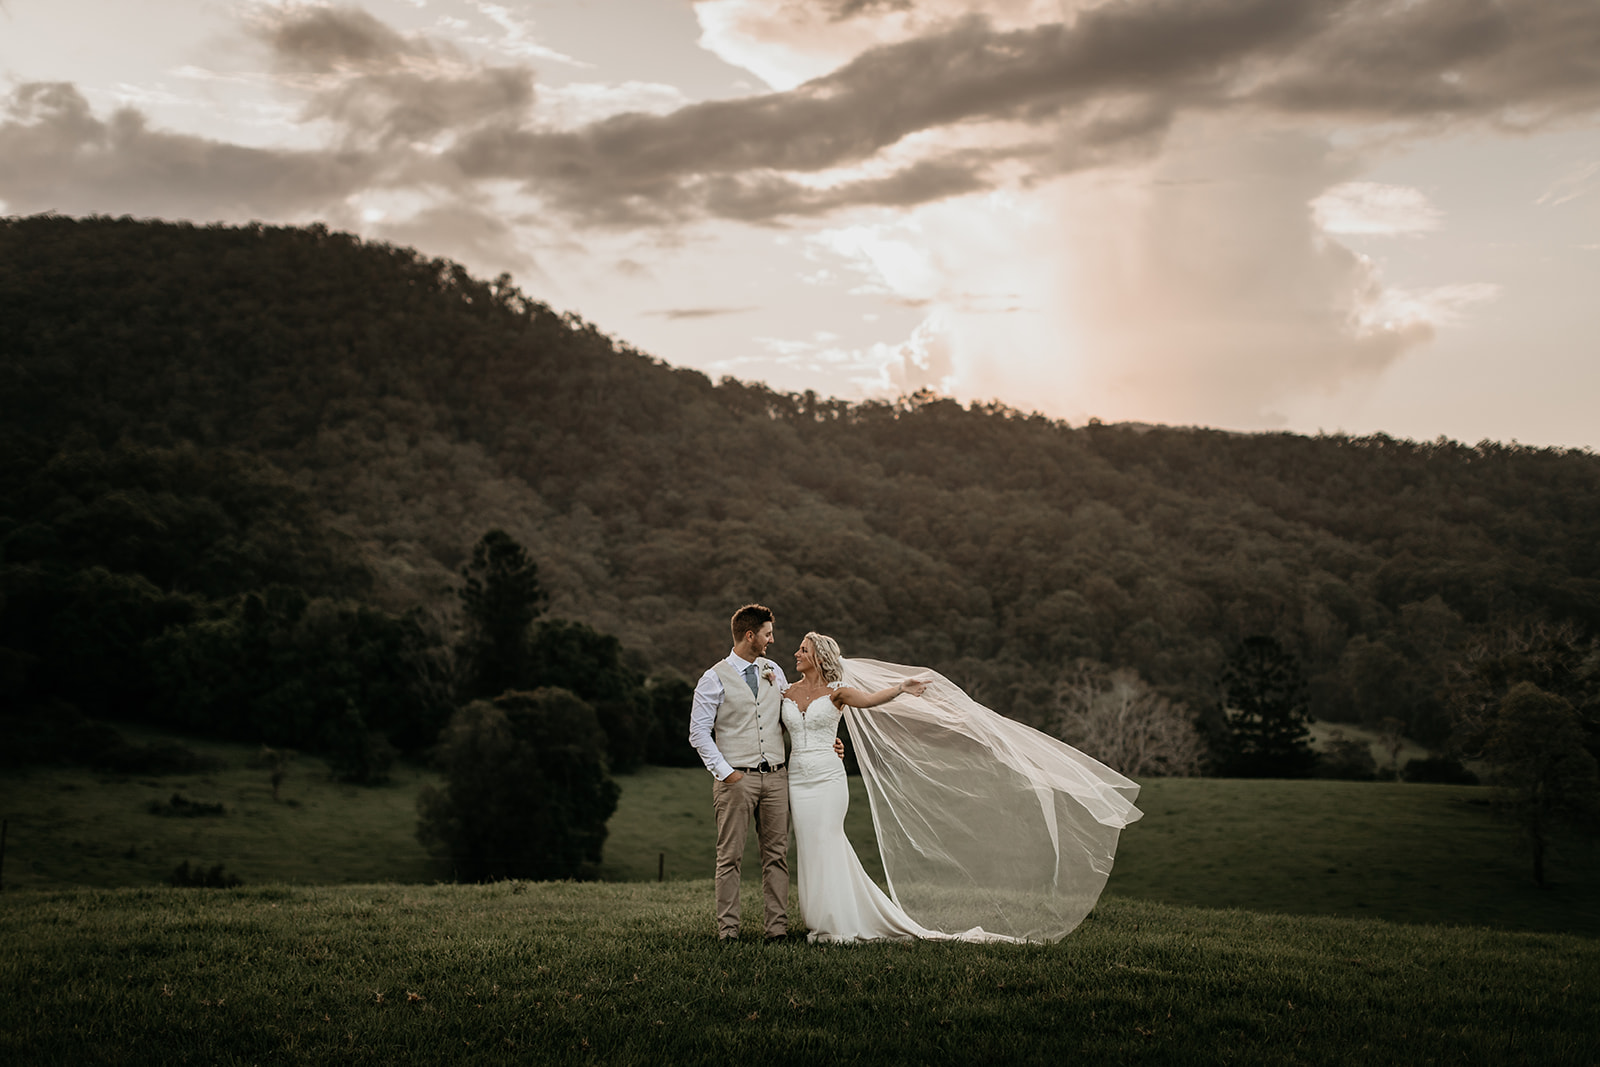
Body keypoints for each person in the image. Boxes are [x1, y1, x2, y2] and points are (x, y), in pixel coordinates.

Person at [785, 632, 1144, 944]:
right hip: (797, 779)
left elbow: (869, 701)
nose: (797, 653)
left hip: (828, 780)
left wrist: (901, 688)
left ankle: (837, 923)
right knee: (810, 845)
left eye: (803, 649)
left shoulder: (838, 692)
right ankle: (821, 919)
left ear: (819, 656)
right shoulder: (785, 691)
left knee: (828, 839)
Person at [687, 604, 841, 942]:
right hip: (735, 780)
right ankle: (728, 932)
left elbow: (791, 718)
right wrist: (726, 773)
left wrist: (826, 742)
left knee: (777, 856)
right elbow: (698, 733)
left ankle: (777, 930)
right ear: (749, 635)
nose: (772, 640)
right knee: (730, 858)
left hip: (776, 778)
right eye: (768, 634)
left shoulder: (774, 671)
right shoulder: (713, 678)